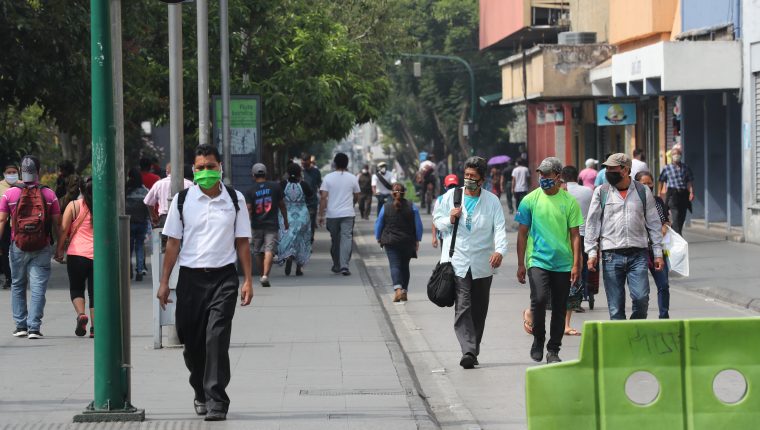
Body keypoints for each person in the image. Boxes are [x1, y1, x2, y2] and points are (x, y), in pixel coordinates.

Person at [157, 144, 253, 421]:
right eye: (200, 168)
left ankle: (217, 400)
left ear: (220, 167)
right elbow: (173, 243)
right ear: (193, 170)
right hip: (190, 279)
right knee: (192, 343)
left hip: (224, 278)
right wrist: (164, 282)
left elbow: (242, 242)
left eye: (211, 166)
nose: (206, 172)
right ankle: (200, 389)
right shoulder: (183, 201)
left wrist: (248, 280)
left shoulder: (234, 199)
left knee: (216, 338)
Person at [433, 156, 508, 369]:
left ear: (482, 179)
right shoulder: (451, 196)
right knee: (463, 305)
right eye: (466, 175)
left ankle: (473, 349)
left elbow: (500, 229)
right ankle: (468, 350)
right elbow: (437, 220)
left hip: (483, 263)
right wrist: (450, 219)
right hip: (457, 260)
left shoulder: (492, 201)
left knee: (479, 309)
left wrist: (500, 251)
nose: (468, 179)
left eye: (473, 176)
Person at [515, 158, 582, 364]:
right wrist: (521, 264)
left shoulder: (569, 201)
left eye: (547, 174)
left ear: (558, 176)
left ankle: (553, 349)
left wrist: (576, 263)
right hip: (537, 260)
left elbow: (575, 235)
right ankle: (538, 339)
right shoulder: (529, 200)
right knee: (540, 299)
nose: (543, 178)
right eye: (541, 174)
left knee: (560, 307)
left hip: (562, 262)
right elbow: (522, 234)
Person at [585, 153, 665, 321]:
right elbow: (592, 224)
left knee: (641, 299)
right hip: (611, 255)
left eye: (612, 168)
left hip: (639, 254)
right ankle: (621, 343)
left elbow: (654, 223)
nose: (608, 171)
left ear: (625, 169)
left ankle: (634, 331)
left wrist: (658, 253)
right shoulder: (602, 192)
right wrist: (592, 253)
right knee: (615, 308)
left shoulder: (643, 191)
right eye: (607, 168)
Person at [0, 155, 62, 339]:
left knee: (18, 284)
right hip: (42, 245)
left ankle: (20, 326)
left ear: (21, 171)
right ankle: (34, 327)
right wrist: (60, 247)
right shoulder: (49, 194)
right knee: (38, 287)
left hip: (17, 245)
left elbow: (2, 220)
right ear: (39, 171)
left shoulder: (9, 194)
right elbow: (58, 224)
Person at [54, 176, 95, 338]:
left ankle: (81, 315)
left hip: (76, 255)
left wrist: (59, 250)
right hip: (98, 256)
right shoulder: (103, 205)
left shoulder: (73, 205)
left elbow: (64, 230)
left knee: (77, 288)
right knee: (95, 293)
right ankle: (95, 328)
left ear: (81, 190)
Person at [375, 182, 423, 302]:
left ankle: (397, 289)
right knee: (405, 266)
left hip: (390, 241)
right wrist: (417, 239)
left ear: (392, 193)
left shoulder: (385, 207)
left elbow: (379, 223)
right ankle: (405, 291)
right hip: (407, 241)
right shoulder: (412, 206)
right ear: (404, 193)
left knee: (394, 265)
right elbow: (418, 225)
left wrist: (378, 237)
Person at [561, 165, 593, 333]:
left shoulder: (563, 193)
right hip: (585, 233)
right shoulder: (588, 191)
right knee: (583, 266)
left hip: (568, 236)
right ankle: (584, 293)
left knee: (572, 269)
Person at [636, 171, 671, 319]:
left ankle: (664, 316)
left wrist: (664, 228)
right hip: (639, 251)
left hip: (657, 250)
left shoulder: (658, 201)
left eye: (650, 183)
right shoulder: (633, 202)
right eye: (644, 183)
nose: (648, 186)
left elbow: (665, 221)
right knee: (640, 290)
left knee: (663, 284)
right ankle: (639, 316)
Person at [246, 163, 288, 288]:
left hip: (256, 225)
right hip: (272, 225)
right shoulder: (275, 187)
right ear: (266, 174)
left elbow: (249, 209)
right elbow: (282, 205)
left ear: (253, 175)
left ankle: (261, 274)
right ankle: (265, 275)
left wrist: (247, 224)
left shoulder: (250, 190)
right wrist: (286, 220)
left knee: (258, 251)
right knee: (269, 249)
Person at [319, 153, 361, 276]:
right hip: (348, 213)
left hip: (332, 214)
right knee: (346, 238)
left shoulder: (328, 178)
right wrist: (352, 204)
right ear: (347, 163)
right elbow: (357, 195)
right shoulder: (352, 178)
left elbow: (323, 197)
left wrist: (320, 215)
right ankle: (344, 266)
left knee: (336, 240)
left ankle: (338, 264)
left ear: (335, 163)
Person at [276, 164, 314, 276]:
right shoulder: (303, 184)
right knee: (301, 240)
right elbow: (311, 195)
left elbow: (276, 197)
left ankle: (288, 255)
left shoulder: (282, 184)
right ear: (299, 173)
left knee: (286, 237)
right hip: (302, 216)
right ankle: (299, 267)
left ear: (287, 173)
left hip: (286, 216)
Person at [143, 162, 194, 228]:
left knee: (166, 238)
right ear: (181, 170)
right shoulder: (189, 184)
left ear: (167, 171)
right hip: (184, 218)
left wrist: (154, 217)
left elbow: (148, 202)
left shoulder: (159, 184)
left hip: (165, 218)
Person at [658, 147, 694, 234]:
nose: (676, 156)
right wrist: (659, 193)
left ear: (681, 156)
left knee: (682, 217)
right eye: (674, 154)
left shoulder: (686, 167)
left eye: (678, 154)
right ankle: (678, 236)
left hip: (683, 194)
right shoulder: (667, 168)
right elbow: (661, 180)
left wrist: (691, 192)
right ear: (671, 156)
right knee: (676, 215)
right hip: (672, 194)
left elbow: (689, 181)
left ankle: (675, 232)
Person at [126, 168, 150, 281]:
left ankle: (128, 269)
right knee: (139, 247)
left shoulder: (125, 191)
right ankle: (139, 270)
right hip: (142, 222)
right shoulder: (145, 191)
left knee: (128, 248)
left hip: (128, 223)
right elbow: (149, 206)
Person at [0, 163, 19, 290]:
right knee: (4, 252)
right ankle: (8, 277)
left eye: (14, 172)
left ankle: (18, 277)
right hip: (4, 224)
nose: (11, 175)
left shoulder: (23, 185)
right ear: (4, 174)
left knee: (18, 253)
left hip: (19, 225)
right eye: (9, 172)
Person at [431, 174, 459, 249]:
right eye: (450, 186)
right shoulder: (440, 200)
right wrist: (434, 237)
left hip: (460, 237)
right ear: (445, 186)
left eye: (454, 186)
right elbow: (435, 219)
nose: (452, 189)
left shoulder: (463, 198)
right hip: (444, 236)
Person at [301, 155, 322, 243]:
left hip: (312, 202)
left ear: (310, 161)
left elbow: (319, 185)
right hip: (300, 202)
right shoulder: (299, 172)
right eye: (303, 163)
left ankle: (309, 241)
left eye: (306, 162)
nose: (304, 164)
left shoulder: (316, 171)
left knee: (311, 223)